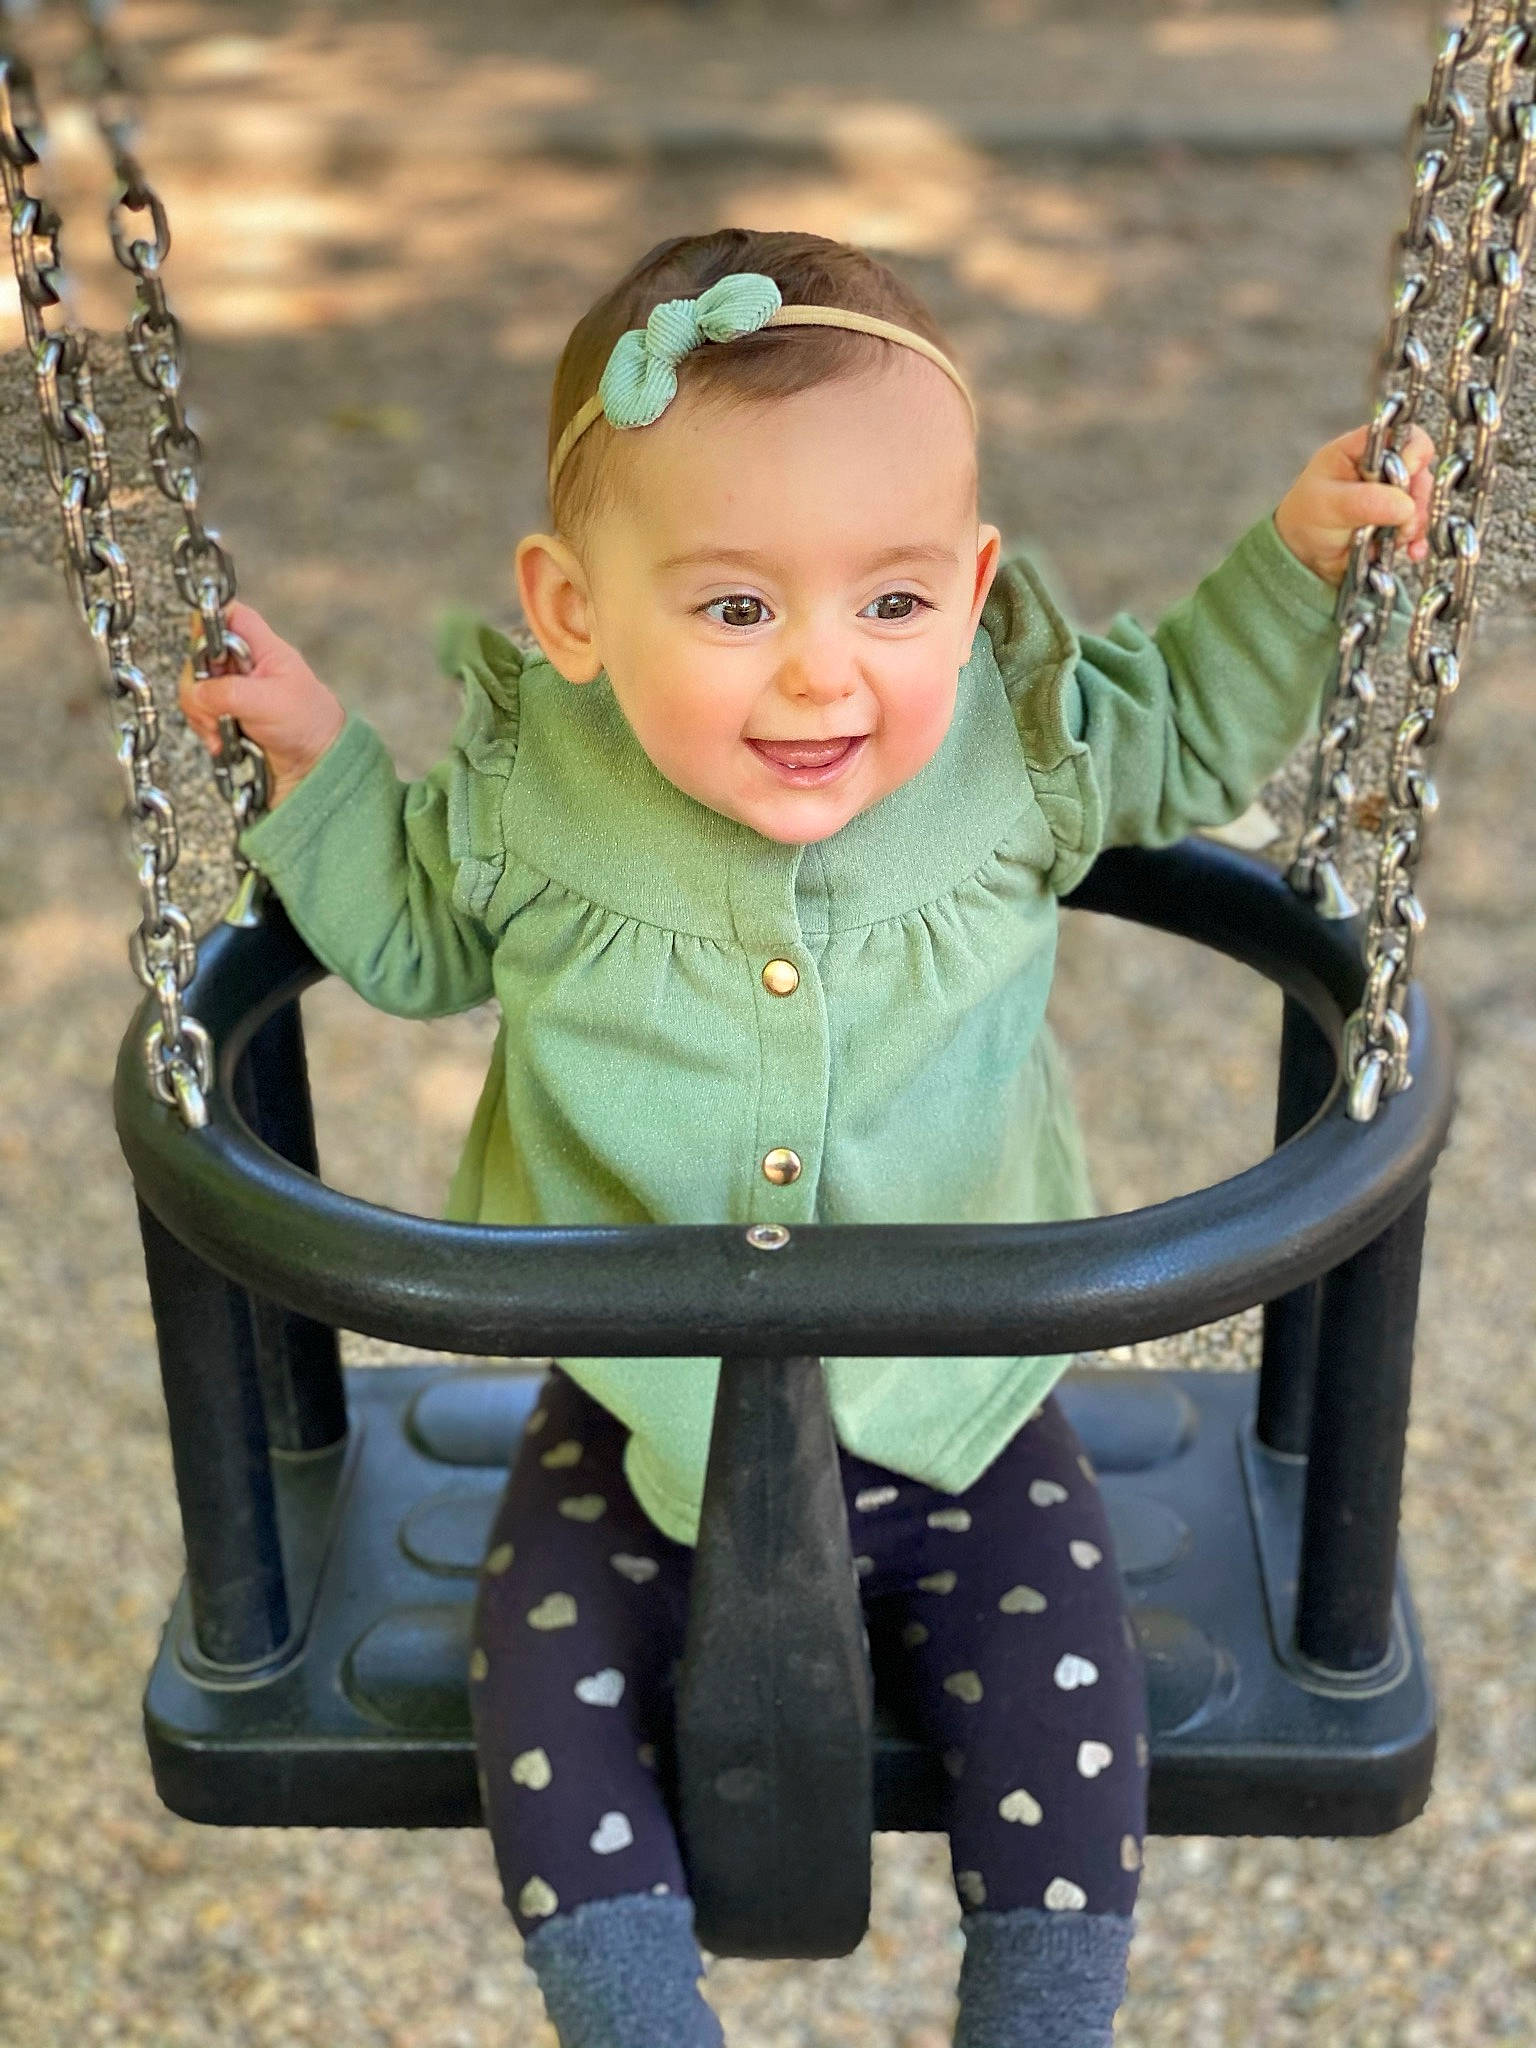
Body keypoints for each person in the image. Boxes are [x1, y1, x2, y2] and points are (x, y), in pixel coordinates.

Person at [180, 228, 1434, 2048]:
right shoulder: (536, 794)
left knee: (1074, 1713)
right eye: (737, 610)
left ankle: (1040, 2020)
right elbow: (418, 934)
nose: (822, 680)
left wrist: (1301, 567)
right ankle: (637, 2019)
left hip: (962, 1410)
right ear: (570, 611)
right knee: (537, 1695)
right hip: (646, 1417)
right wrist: (318, 765)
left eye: (893, 603)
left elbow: (1181, 723)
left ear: (977, 588)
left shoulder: (1019, 744)